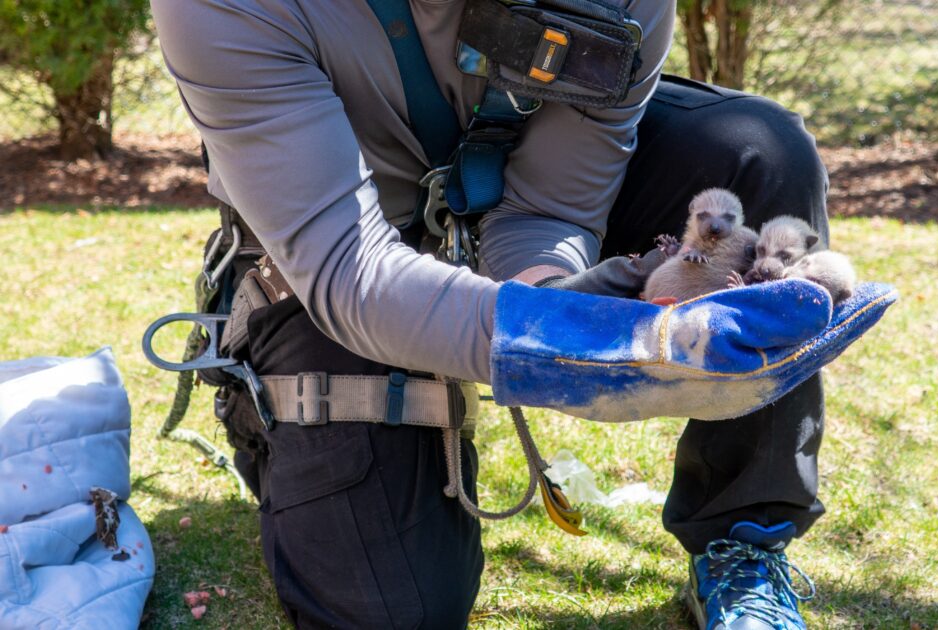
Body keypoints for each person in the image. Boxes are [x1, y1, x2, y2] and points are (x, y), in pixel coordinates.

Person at [152, 1, 843, 628]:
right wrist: (551, 340)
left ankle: (743, 543)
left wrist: (564, 294)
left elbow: (551, 206)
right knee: (396, 612)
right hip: (333, 262)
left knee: (755, 153)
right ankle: (267, 410)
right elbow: (350, 273)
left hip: (506, 198)